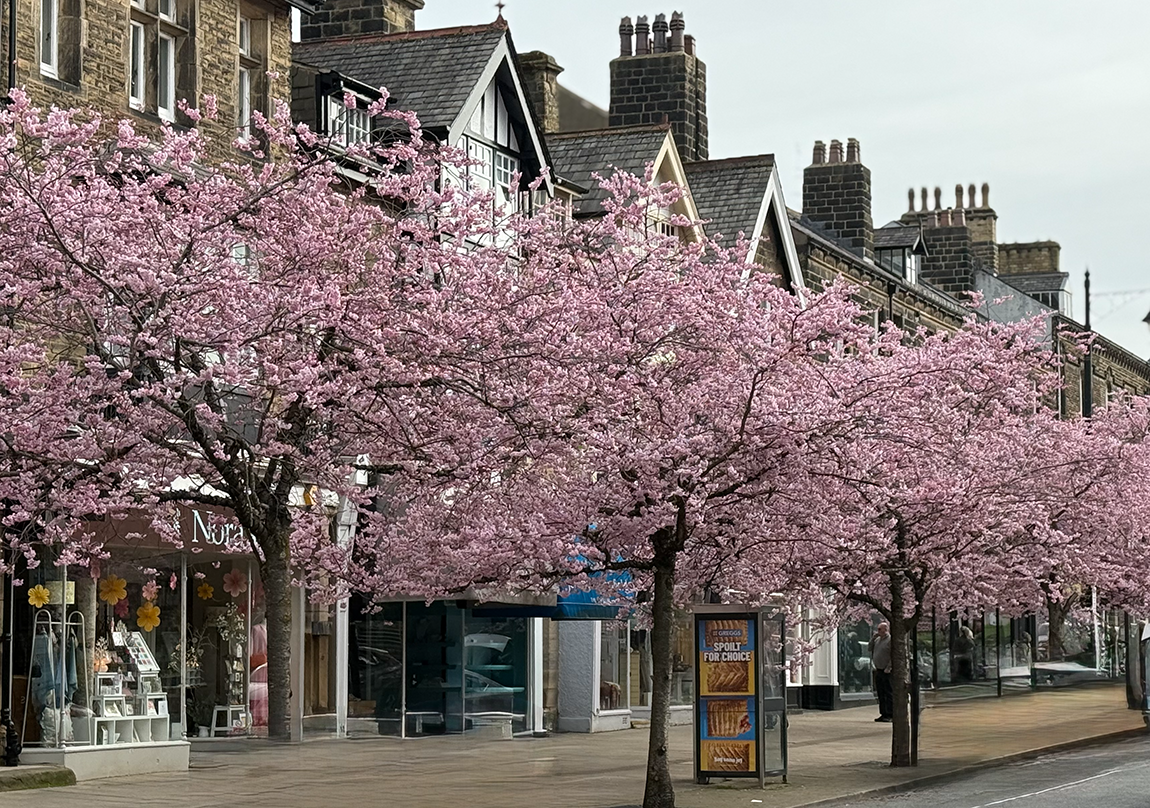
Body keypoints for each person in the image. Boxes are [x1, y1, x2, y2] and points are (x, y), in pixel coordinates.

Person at [869, 622, 893, 723]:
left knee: (888, 692)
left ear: (885, 629)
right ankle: (883, 713)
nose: (878, 631)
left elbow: (893, 655)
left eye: (880, 629)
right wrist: (873, 639)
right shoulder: (877, 640)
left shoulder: (890, 640)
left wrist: (889, 667)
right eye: (877, 629)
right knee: (880, 693)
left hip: (887, 670)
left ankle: (890, 714)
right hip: (878, 669)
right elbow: (869, 648)